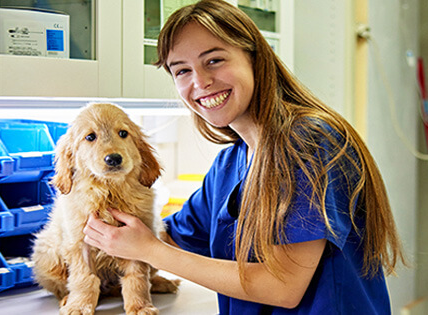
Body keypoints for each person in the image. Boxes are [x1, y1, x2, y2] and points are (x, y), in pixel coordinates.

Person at [81, 0, 405, 313]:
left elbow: (283, 286)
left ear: (254, 57)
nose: (200, 82)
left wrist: (149, 251)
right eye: (181, 71)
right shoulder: (230, 164)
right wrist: (94, 219)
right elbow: (170, 235)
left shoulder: (307, 142)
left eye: (214, 60)